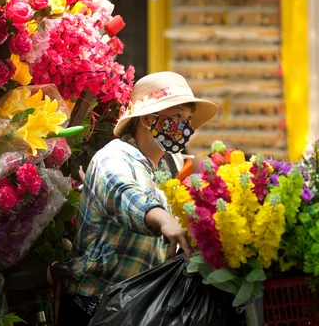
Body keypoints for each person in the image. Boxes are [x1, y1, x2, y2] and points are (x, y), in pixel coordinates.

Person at [59, 71, 218, 325]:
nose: (184, 126)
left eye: (187, 119)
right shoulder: (114, 156)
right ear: (147, 119)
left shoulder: (162, 171)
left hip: (135, 306)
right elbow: (124, 192)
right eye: (176, 116)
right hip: (95, 306)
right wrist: (162, 217)